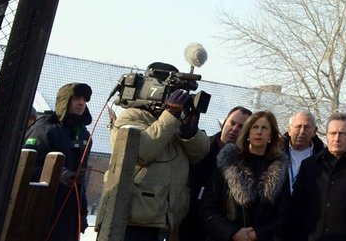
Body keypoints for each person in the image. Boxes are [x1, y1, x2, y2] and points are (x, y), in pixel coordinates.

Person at [103, 65, 210, 241]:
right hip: (130, 220)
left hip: (165, 219)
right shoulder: (131, 116)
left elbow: (200, 153)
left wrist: (189, 133)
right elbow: (140, 151)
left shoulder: (175, 120)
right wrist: (169, 116)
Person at [199, 110, 289, 241]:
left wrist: (258, 234)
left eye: (264, 128)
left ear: (271, 135)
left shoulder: (279, 170)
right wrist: (232, 233)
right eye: (255, 127)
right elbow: (207, 209)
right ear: (248, 132)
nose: (259, 132)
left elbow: (283, 215)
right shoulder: (227, 163)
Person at [23, 82, 94, 241]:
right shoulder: (44, 128)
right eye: (76, 98)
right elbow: (25, 166)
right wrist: (59, 174)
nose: (81, 103)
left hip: (69, 212)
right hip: (41, 207)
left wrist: (81, 213)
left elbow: (80, 184)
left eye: (84, 99)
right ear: (65, 100)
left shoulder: (84, 135)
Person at [290, 112, 346, 241]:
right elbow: (297, 209)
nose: (336, 138)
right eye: (332, 133)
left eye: (342, 133)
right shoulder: (309, 165)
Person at [183, 105, 253, 240]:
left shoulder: (244, 164)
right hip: (186, 222)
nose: (234, 129)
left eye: (241, 127)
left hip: (218, 230)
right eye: (232, 123)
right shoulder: (200, 148)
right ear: (224, 123)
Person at [285, 111, 325, 194]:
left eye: (307, 127)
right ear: (289, 130)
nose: (302, 131)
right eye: (298, 127)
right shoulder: (275, 153)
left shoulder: (323, 157)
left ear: (314, 131)